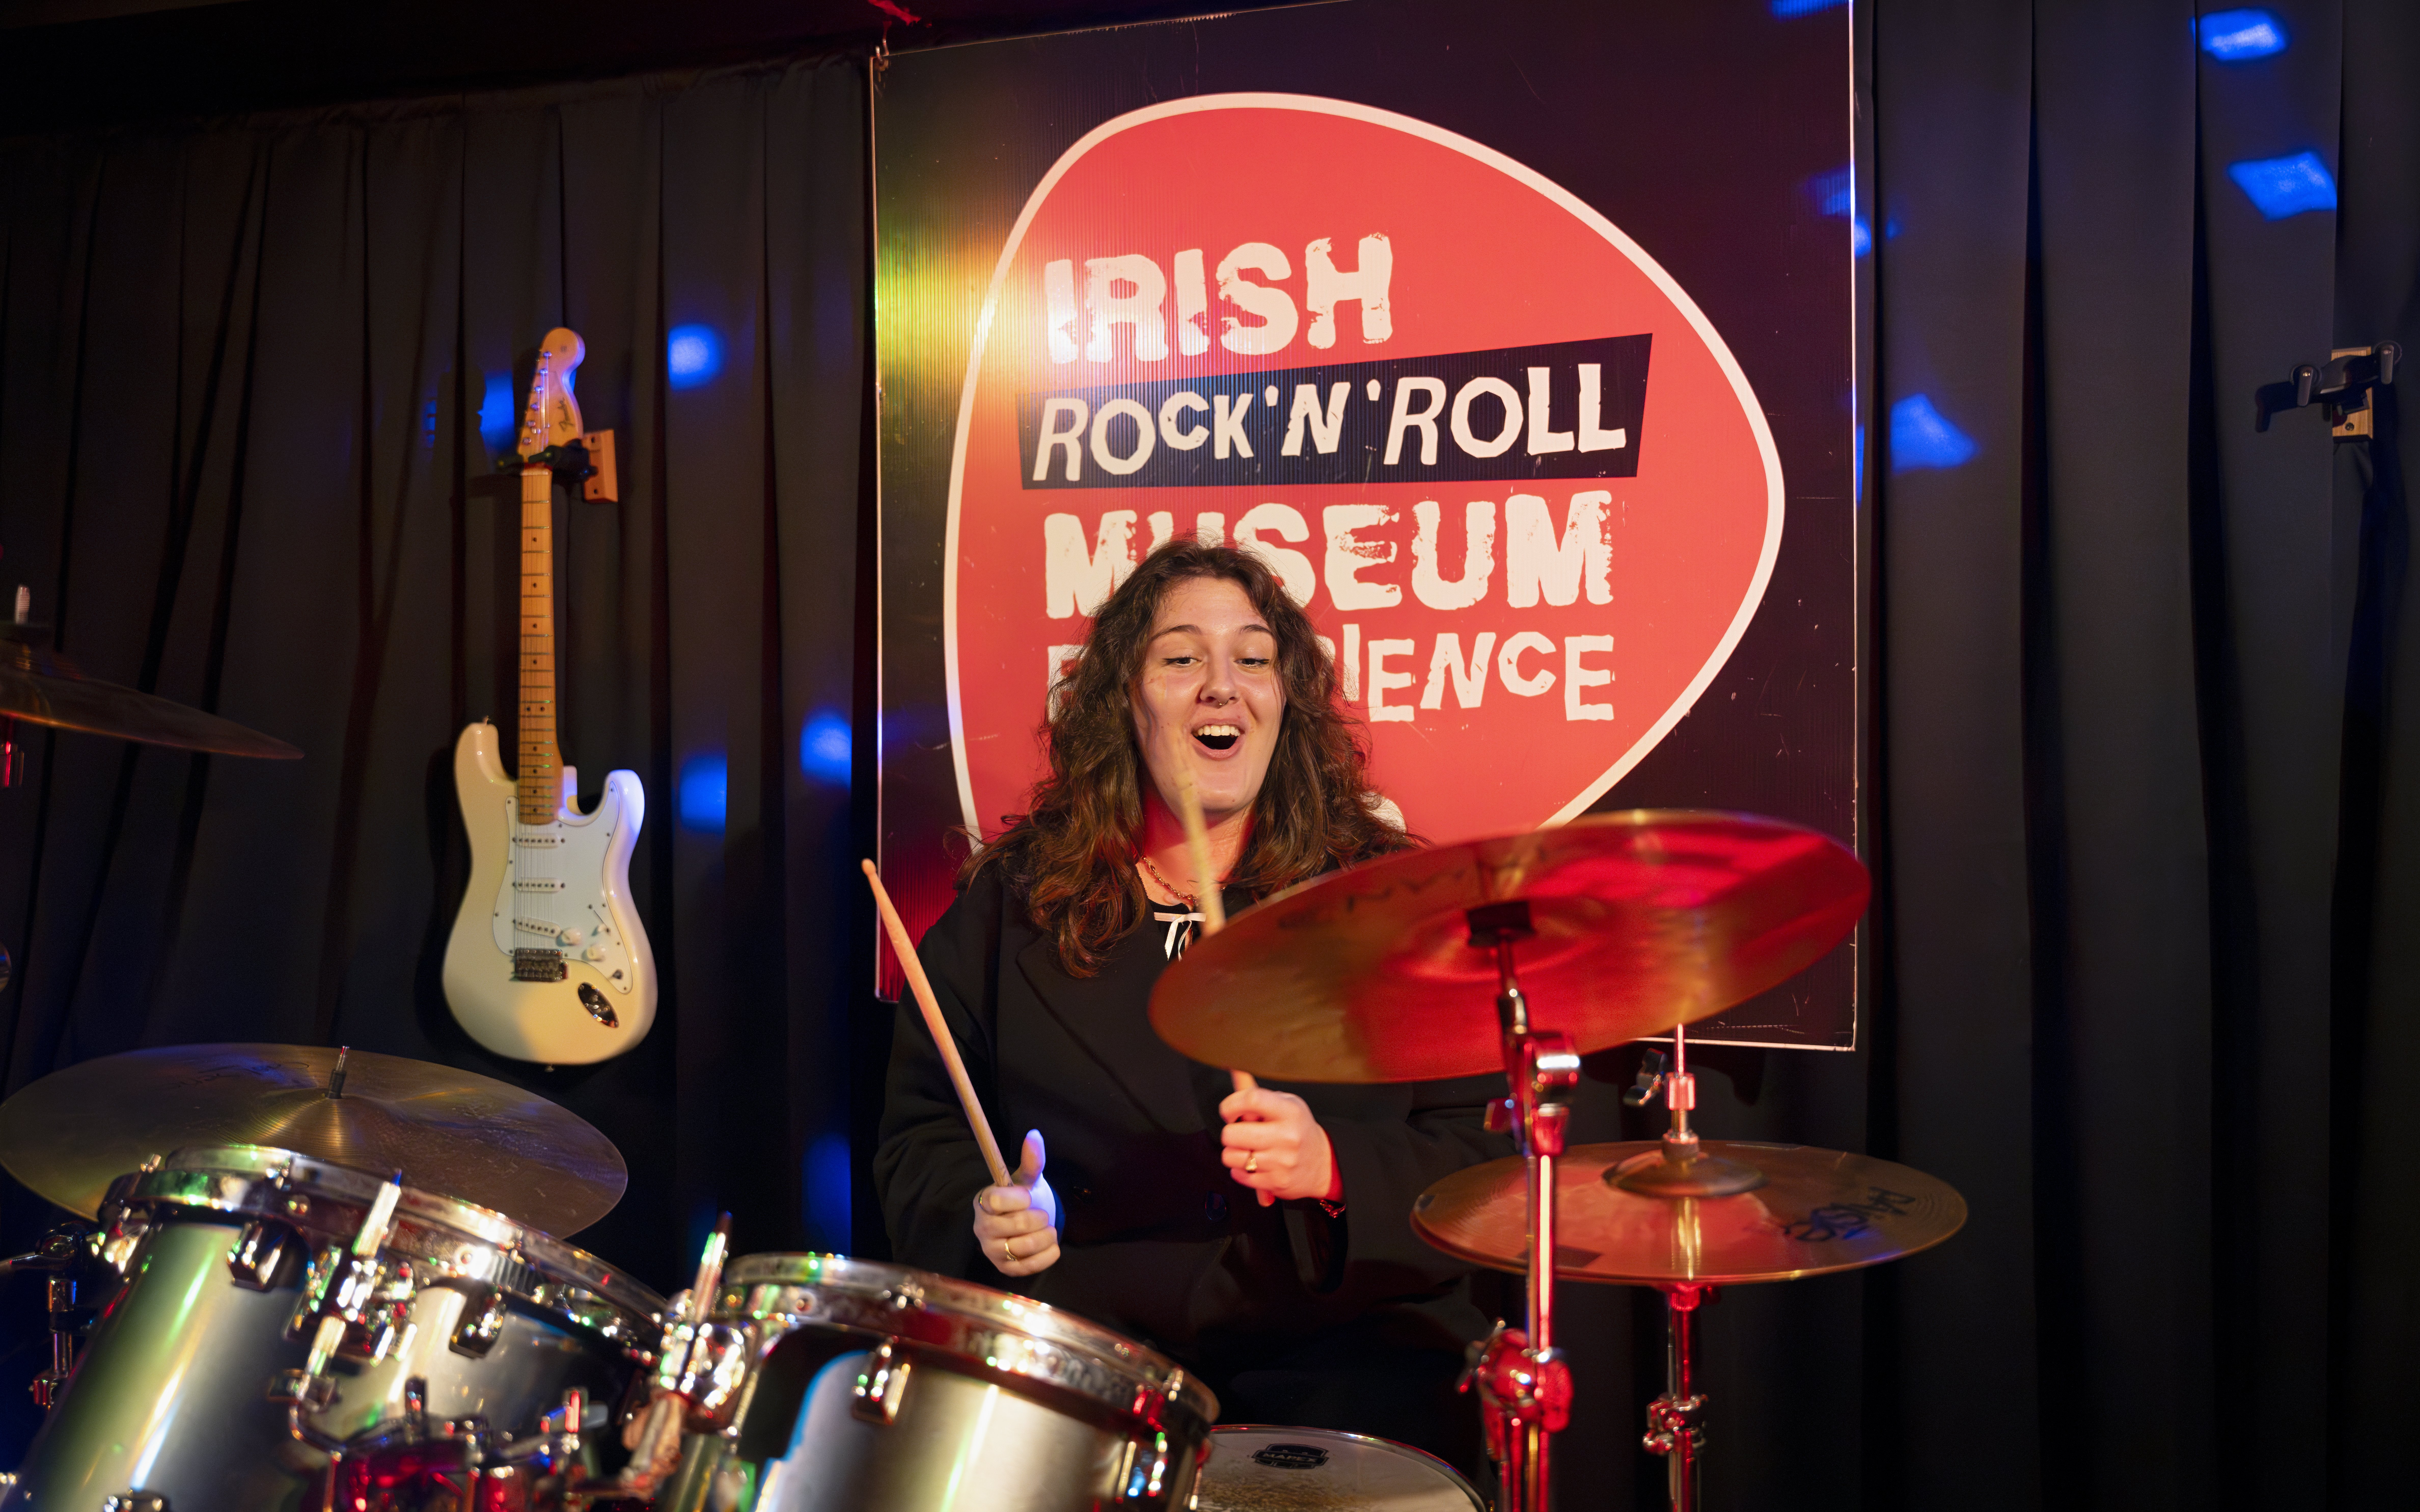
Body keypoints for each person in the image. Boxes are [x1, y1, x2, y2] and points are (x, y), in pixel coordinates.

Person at [875, 538, 1513, 1469]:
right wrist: (980, 1209)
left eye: (1253, 659)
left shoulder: (1388, 905)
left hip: (1353, 1372)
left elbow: (1484, 1162)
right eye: (1180, 658)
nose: (1222, 686)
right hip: (1094, 1378)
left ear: (1285, 700)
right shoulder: (1013, 907)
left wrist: (1336, 1166)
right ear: (1123, 700)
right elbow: (920, 1134)